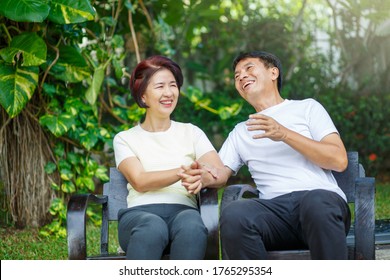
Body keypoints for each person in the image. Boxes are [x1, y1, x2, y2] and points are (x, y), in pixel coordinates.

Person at [179, 51, 351, 260]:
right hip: (274, 214)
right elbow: (220, 172)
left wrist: (284, 134)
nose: (242, 76)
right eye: (236, 75)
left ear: (273, 72)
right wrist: (202, 176)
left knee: (316, 201)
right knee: (235, 214)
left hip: (320, 206)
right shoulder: (241, 131)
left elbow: (339, 160)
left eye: (249, 68)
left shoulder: (307, 108)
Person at [113, 55, 223, 260]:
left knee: (192, 225)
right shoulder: (125, 138)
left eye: (173, 85)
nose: (169, 92)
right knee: (152, 228)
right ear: (143, 96)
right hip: (139, 216)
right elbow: (140, 181)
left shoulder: (192, 132)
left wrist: (203, 176)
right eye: (160, 86)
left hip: (183, 211)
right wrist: (183, 172)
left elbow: (220, 172)